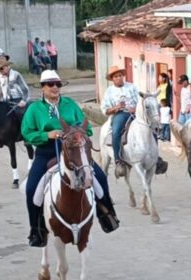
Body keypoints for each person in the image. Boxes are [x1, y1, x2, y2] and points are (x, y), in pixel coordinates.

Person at [21, 70, 119, 247]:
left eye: (58, 84)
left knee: (101, 177)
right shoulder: (34, 109)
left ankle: (107, 215)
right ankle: (36, 229)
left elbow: (86, 128)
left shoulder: (70, 104)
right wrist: (46, 135)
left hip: (73, 150)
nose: (55, 87)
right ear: (42, 87)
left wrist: (75, 133)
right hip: (47, 151)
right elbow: (27, 133)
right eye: (50, 84)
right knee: (31, 189)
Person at [101, 65, 138, 170]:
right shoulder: (109, 91)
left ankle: (156, 158)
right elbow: (105, 109)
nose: (119, 78)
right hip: (120, 114)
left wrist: (135, 108)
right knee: (116, 131)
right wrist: (116, 107)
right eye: (116, 76)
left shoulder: (132, 87)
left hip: (135, 113)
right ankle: (118, 160)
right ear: (112, 79)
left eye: (120, 75)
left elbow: (140, 101)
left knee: (150, 126)